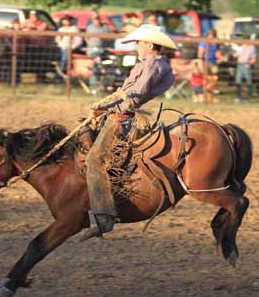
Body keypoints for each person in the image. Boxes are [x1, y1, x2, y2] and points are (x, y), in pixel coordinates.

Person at [80, 25, 177, 241]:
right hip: (122, 114)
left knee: (95, 159)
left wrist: (105, 108)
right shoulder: (152, 64)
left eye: (139, 43)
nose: (137, 47)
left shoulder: (151, 65)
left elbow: (133, 98)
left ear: (150, 45)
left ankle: (104, 215)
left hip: (123, 118)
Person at [85, 14, 110, 94]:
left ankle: (95, 87)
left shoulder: (105, 27)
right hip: (92, 50)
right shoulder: (89, 27)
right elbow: (86, 38)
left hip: (101, 50)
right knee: (96, 69)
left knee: (95, 68)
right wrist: (89, 45)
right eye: (95, 19)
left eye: (98, 19)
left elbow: (110, 38)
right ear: (92, 20)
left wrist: (103, 38)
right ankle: (95, 86)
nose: (96, 20)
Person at [22, 10, 52, 75]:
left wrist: (31, 29)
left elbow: (41, 30)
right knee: (29, 60)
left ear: (37, 16)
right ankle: (29, 74)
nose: (33, 17)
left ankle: (39, 75)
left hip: (40, 45)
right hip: (28, 44)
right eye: (31, 15)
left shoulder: (43, 23)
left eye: (35, 15)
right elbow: (21, 28)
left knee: (39, 60)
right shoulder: (26, 22)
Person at [197, 28, 223, 95]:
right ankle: (205, 92)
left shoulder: (215, 43)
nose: (211, 37)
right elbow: (200, 55)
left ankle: (205, 91)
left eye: (213, 35)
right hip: (205, 62)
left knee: (215, 78)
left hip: (213, 62)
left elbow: (217, 53)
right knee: (208, 78)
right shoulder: (203, 43)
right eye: (210, 35)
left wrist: (220, 58)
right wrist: (200, 65)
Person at [234, 34, 256, 103]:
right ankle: (239, 97)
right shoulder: (241, 47)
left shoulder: (252, 47)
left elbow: (254, 58)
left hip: (246, 65)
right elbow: (236, 55)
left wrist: (249, 63)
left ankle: (247, 98)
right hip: (240, 65)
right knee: (238, 80)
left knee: (248, 81)